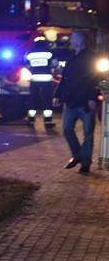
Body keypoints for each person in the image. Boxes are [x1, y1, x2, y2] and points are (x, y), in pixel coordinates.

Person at [52, 29, 103, 174]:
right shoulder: (71, 56)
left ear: (80, 41)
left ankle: (85, 163)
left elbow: (94, 79)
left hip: (86, 103)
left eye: (73, 38)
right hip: (71, 101)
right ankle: (78, 156)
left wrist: (92, 98)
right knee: (67, 129)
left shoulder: (91, 57)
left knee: (88, 134)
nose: (71, 41)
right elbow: (65, 78)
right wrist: (58, 95)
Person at [25, 35, 56, 129]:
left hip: (34, 79)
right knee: (47, 100)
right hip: (46, 79)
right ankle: (47, 121)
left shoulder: (30, 52)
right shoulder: (49, 52)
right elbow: (55, 64)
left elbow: (26, 65)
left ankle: (31, 120)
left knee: (33, 99)